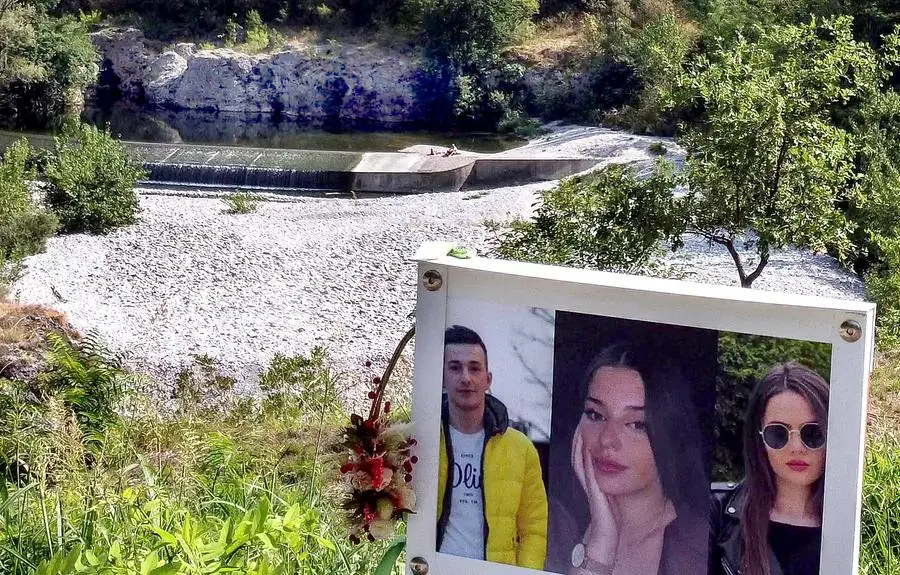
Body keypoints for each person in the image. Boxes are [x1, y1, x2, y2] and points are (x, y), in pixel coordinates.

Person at [546, 342, 709, 575]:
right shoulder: (551, 525)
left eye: (636, 424)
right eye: (596, 415)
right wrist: (599, 546)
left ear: (670, 434)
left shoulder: (700, 545)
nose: (607, 440)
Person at [436, 324, 549, 569]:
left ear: (488, 379)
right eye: (455, 368)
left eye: (474, 368)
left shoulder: (521, 449)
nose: (466, 377)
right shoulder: (422, 440)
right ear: (442, 377)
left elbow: (534, 529)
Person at [710, 363, 829, 575]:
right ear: (760, 438)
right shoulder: (716, 512)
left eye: (812, 433)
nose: (796, 448)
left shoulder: (858, 525)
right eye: (778, 433)